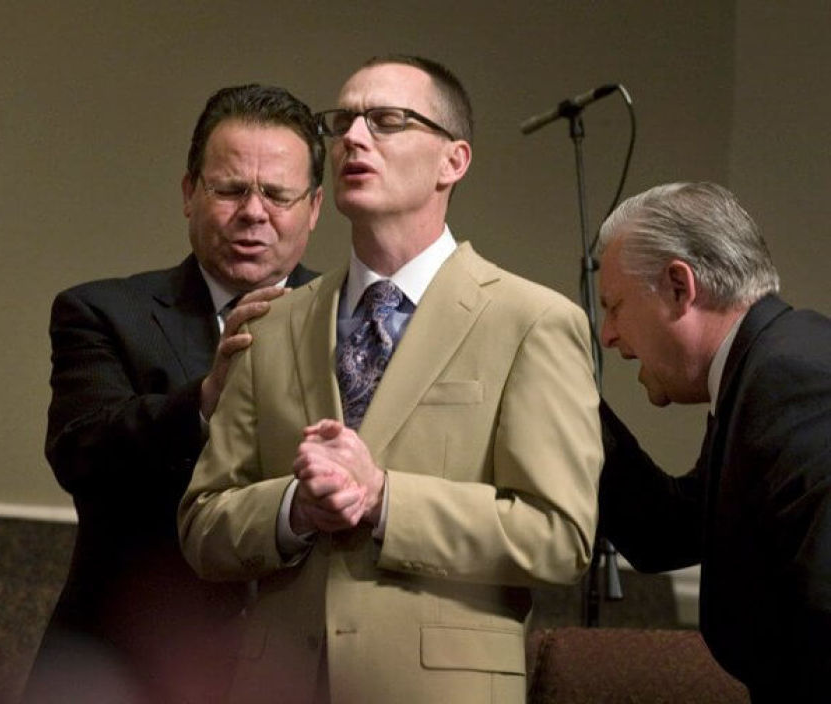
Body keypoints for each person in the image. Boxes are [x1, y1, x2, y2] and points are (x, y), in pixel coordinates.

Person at [178, 55, 602, 704]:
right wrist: (294, 509)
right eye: (343, 120)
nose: (352, 136)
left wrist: (384, 499)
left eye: (387, 121)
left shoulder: (532, 322)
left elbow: (560, 539)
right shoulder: (272, 321)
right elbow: (203, 526)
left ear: (453, 161)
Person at [24, 84, 324, 704]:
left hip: (296, 669)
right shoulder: (103, 311)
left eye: (277, 194)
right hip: (126, 664)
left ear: (314, 208)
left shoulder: (354, 322)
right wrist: (208, 395)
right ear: (189, 193)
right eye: (231, 189)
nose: (254, 212)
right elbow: (81, 453)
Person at [596, 181, 831, 702]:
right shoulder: (757, 372)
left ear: (680, 287)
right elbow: (666, 532)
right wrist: (565, 403)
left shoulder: (793, 380)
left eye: (614, 306)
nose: (608, 335)